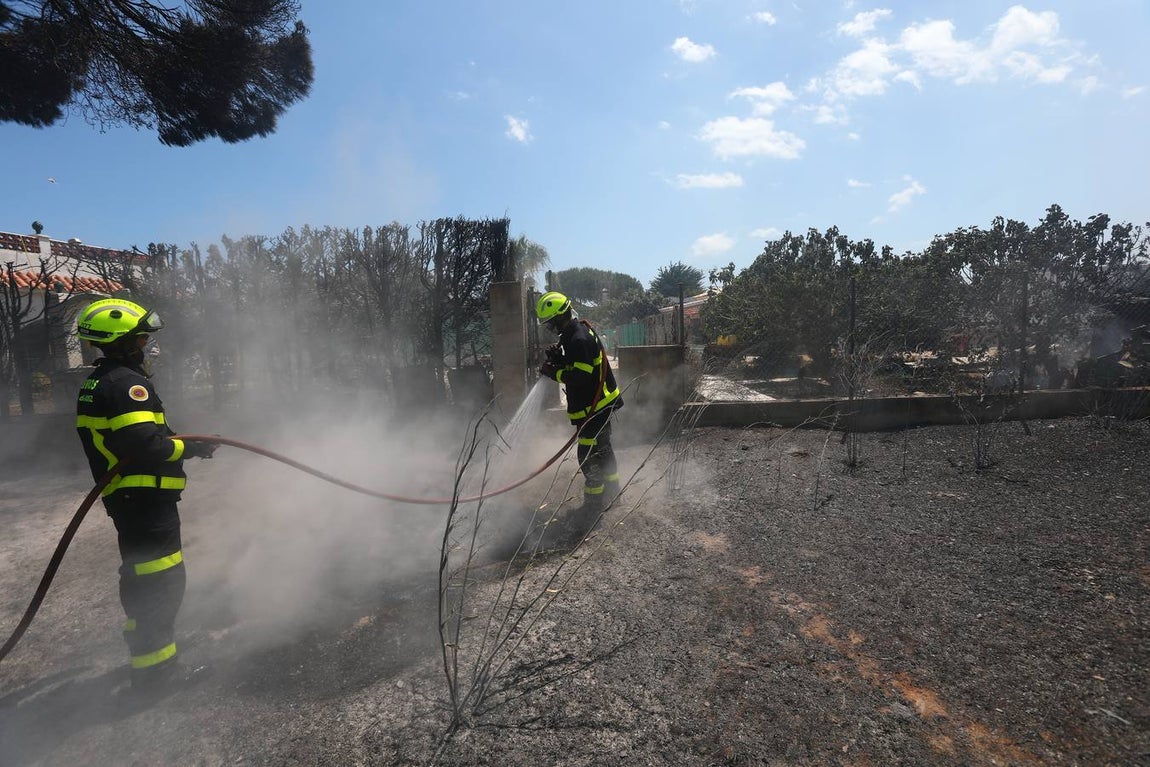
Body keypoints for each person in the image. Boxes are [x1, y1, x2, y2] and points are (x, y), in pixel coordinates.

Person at [74, 298, 215, 693]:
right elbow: (146, 448)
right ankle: (157, 676)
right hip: (145, 501)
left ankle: (147, 658)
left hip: (131, 501)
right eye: (141, 340)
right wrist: (190, 447)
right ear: (125, 343)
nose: (147, 347)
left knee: (141, 578)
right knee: (161, 583)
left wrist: (193, 444)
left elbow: (139, 439)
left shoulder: (100, 382)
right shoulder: (126, 384)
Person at [535, 291, 623, 543]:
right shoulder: (573, 333)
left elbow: (581, 377)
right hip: (599, 404)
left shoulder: (579, 338)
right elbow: (578, 364)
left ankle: (594, 503)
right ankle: (614, 493)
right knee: (604, 450)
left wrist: (554, 373)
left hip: (595, 408)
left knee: (587, 455)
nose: (550, 327)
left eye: (551, 322)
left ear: (561, 316)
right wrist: (559, 359)